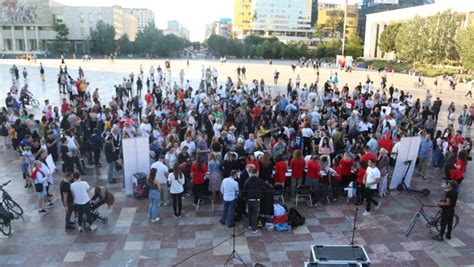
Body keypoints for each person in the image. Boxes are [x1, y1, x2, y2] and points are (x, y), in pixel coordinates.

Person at [243, 164, 265, 234]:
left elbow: (244, 190)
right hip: (256, 200)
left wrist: (244, 198)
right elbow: (265, 185)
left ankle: (250, 225)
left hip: (249, 200)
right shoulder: (259, 180)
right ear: (256, 173)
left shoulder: (247, 180)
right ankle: (254, 228)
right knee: (255, 215)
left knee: (250, 213)